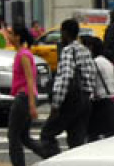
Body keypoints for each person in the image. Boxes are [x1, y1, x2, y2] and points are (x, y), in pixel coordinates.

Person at [39, 19, 96, 157]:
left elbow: (65, 78)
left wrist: (55, 105)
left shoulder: (68, 50)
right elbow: (92, 74)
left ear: (65, 33)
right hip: (86, 99)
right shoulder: (85, 51)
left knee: (47, 134)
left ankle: (55, 162)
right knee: (76, 141)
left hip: (71, 100)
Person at [0, 22, 39, 166]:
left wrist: (31, 105)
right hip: (25, 96)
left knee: (13, 135)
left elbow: (30, 79)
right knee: (24, 137)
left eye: (10, 33)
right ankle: (50, 154)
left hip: (24, 97)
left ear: (17, 37)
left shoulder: (23, 55)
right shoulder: (22, 53)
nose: (7, 36)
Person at [82, 35, 114, 142]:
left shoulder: (95, 62)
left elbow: (89, 83)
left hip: (99, 104)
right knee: (111, 138)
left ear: (91, 48)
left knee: (92, 137)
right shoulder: (107, 62)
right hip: (111, 103)